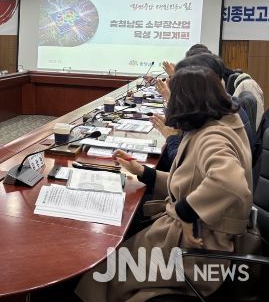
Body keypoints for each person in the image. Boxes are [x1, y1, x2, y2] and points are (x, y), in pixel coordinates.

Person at [76, 66, 253, 301]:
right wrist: (145, 173)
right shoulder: (216, 125)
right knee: (114, 252)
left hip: (199, 250)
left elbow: (230, 183)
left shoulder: (212, 137)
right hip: (197, 237)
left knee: (101, 270)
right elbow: (192, 182)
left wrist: (185, 212)